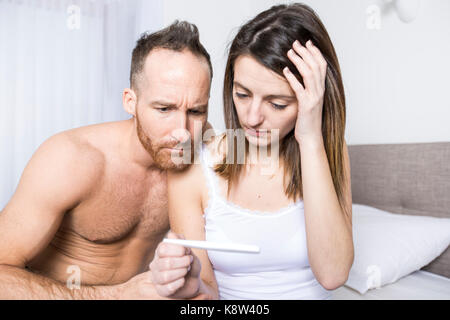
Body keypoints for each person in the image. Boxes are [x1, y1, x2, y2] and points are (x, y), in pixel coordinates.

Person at [150, 3, 354, 300]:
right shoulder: (194, 164)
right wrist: (188, 285)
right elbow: (204, 295)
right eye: (242, 94)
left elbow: (333, 274)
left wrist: (310, 140)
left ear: (313, 99)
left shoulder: (328, 152)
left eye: (277, 103)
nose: (252, 117)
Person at [0, 21, 213, 299]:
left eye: (196, 111)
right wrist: (116, 296)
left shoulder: (207, 151)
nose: (182, 131)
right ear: (130, 102)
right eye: (164, 108)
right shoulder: (70, 159)